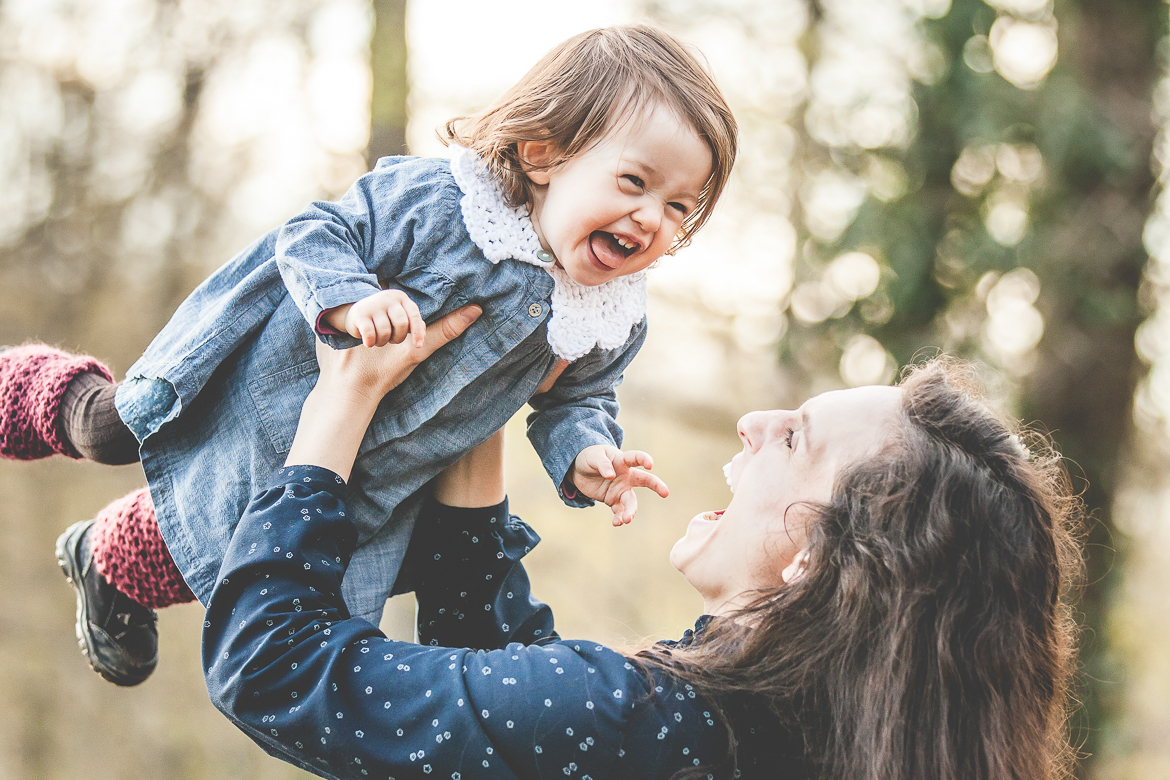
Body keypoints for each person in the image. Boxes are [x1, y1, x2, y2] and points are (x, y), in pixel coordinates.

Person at [0, 24, 736, 686]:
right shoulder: (444, 204)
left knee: (246, 548)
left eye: (679, 207)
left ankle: (106, 556)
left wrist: (586, 457)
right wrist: (350, 299)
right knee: (114, 429)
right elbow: (315, 231)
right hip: (266, 384)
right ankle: (20, 388)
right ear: (545, 155)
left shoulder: (611, 317)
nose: (651, 220)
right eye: (635, 183)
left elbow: (576, 400)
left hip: (364, 469)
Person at [202, 330, 1081, 780]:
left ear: (814, 556)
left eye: (792, 440)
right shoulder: (799, 736)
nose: (753, 422)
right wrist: (481, 408)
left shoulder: (658, 723)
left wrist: (338, 409)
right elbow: (501, 710)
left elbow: (274, 668)